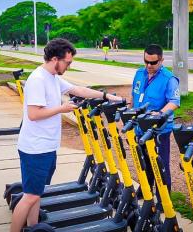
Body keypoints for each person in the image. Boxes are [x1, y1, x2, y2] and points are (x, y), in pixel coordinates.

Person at [10, 38, 122, 232]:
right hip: (36, 148)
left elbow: (77, 89)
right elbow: (34, 114)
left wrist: (106, 96)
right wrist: (62, 108)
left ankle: (33, 227)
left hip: (46, 146)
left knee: (36, 194)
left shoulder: (52, 76)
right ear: (55, 59)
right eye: (67, 63)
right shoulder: (38, 79)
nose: (69, 66)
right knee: (30, 196)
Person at [129, 44, 180, 211]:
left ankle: (163, 199)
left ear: (162, 60)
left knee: (160, 164)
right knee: (143, 162)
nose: (149, 65)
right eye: (146, 61)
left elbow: (174, 102)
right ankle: (145, 189)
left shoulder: (169, 78)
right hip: (140, 128)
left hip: (159, 131)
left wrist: (159, 115)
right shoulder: (139, 73)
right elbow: (134, 95)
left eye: (153, 62)